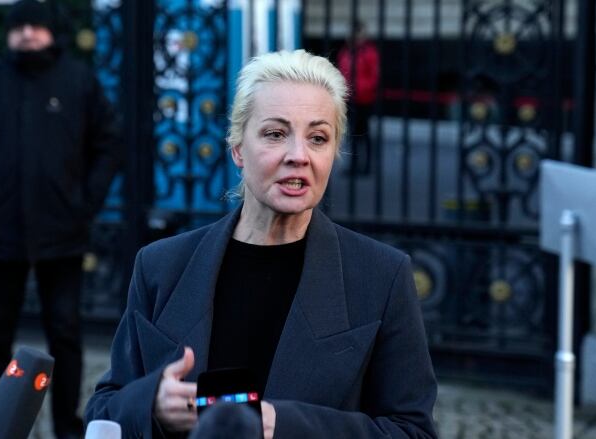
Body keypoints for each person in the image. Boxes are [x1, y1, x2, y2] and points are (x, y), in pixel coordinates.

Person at [85, 49, 436, 438]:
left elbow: (412, 431)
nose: (298, 156)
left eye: (318, 138)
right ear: (238, 148)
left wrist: (283, 426)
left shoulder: (381, 277)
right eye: (275, 134)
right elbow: (103, 410)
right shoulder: (161, 266)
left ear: (334, 153)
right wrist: (151, 405)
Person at [0, 1, 122, 437]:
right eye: (18, 26)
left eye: (35, 25)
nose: (26, 33)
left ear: (50, 32)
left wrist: (86, 203)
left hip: (62, 234)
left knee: (65, 333)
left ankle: (67, 422)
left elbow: (108, 143)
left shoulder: (77, 81)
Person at [338, 20, 380, 175]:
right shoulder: (346, 53)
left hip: (365, 99)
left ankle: (366, 165)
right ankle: (355, 164)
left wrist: (358, 89)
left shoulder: (369, 52)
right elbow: (342, 74)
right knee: (353, 132)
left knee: (364, 132)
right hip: (351, 98)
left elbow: (373, 78)